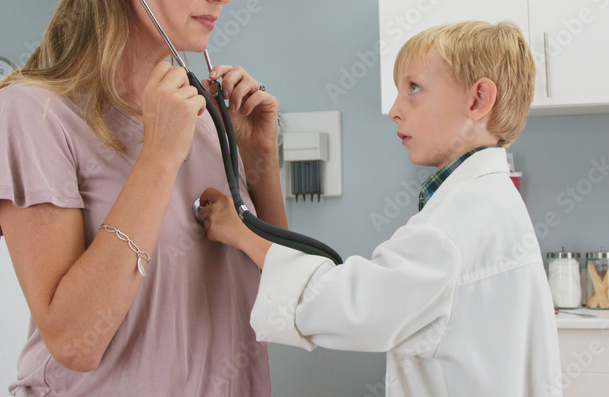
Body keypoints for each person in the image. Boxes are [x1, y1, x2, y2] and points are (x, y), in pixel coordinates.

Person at [0, 0, 282, 396]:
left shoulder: (202, 114)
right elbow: (74, 343)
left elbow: (282, 292)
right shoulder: (34, 113)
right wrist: (157, 158)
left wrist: (259, 160)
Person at [197, 21, 562, 396]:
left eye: (414, 88)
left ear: (477, 100)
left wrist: (242, 234)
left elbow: (344, 306)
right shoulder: (489, 202)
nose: (393, 110)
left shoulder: (458, 224)